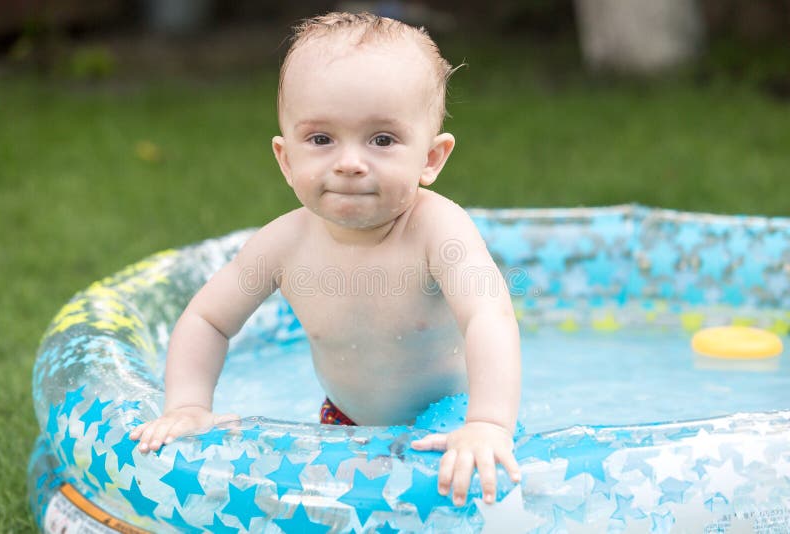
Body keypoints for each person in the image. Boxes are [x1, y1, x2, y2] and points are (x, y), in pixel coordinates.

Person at [130, 11, 521, 507]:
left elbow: (490, 315)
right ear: (286, 159)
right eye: (321, 139)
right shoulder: (282, 245)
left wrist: (487, 423)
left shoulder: (437, 231)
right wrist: (187, 405)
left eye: (382, 139)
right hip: (342, 420)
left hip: (453, 417)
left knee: (455, 499)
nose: (350, 162)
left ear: (430, 158)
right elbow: (207, 318)